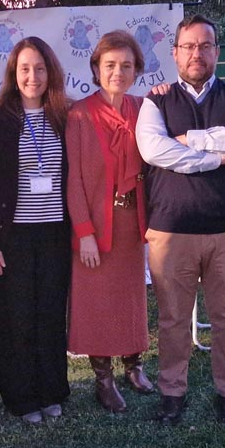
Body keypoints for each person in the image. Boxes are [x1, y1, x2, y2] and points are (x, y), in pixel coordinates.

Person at [136, 14, 225, 428]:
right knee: (173, 319)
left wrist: (190, 141)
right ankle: (172, 393)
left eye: (205, 45)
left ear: (217, 51)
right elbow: (155, 151)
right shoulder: (154, 102)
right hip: (171, 231)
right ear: (174, 53)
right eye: (188, 46)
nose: (197, 53)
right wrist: (214, 156)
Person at [0, 37, 73, 423]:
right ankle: (20, 397)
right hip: (11, 236)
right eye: (24, 69)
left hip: (54, 233)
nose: (32, 76)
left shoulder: (66, 116)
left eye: (39, 68)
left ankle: (51, 391)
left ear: (50, 71)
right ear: (12, 74)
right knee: (14, 317)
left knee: (49, 315)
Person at [66, 30, 155, 413]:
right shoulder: (80, 113)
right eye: (110, 65)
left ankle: (133, 365)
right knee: (98, 301)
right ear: (97, 69)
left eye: (126, 65)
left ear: (137, 70)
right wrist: (84, 232)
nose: (118, 71)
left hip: (133, 221)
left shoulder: (145, 107)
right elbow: (74, 179)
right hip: (97, 224)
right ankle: (103, 377)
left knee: (132, 297)